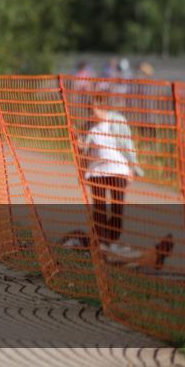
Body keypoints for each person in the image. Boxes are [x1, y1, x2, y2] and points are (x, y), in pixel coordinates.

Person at [81, 97, 143, 257]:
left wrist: (133, 167)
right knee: (99, 208)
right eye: (91, 110)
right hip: (97, 172)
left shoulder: (117, 121)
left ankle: (109, 239)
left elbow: (128, 145)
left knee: (117, 209)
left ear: (104, 108)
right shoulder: (89, 126)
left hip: (118, 170)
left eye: (95, 109)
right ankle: (101, 243)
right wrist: (80, 151)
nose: (93, 113)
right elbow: (82, 149)